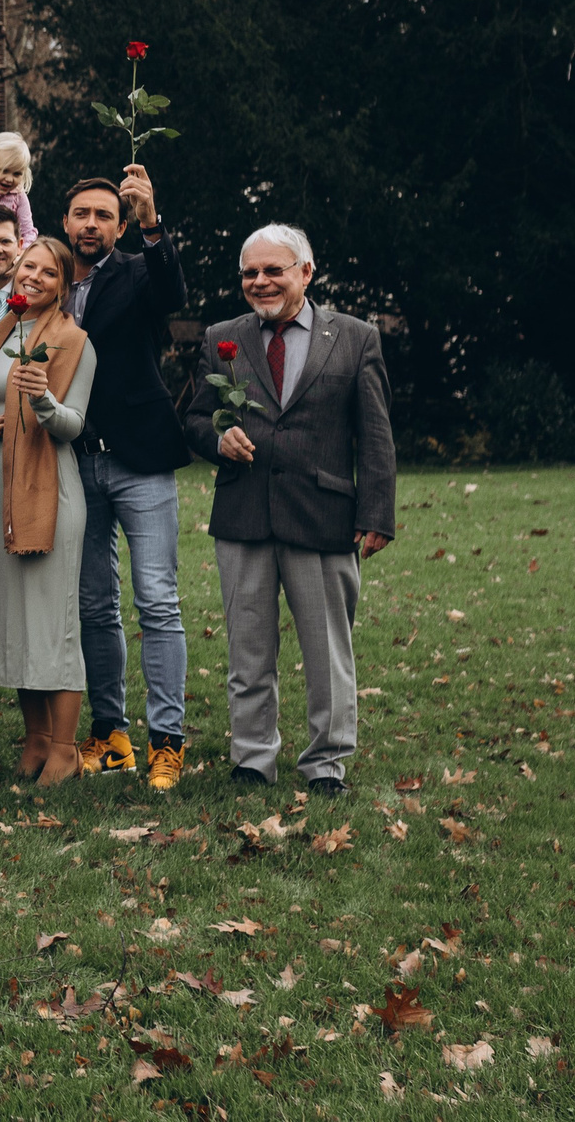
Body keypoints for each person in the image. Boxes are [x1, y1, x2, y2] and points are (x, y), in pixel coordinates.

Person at [181, 224, 395, 796]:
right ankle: (252, 759)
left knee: (328, 653)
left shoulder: (353, 338)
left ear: (305, 271)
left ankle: (326, 765)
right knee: (248, 649)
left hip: (322, 515)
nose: (260, 282)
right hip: (244, 515)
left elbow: (375, 433)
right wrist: (217, 437)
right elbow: (196, 419)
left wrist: (377, 512)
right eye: (250, 273)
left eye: (273, 270)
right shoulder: (221, 337)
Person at [57, 166, 191, 789]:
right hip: (76, 460)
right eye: (82, 214)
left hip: (140, 458)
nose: (91, 224)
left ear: (118, 225)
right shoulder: (51, 283)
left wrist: (152, 224)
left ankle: (168, 739)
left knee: (157, 602)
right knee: (93, 604)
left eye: (103, 216)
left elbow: (173, 293)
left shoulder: (138, 271)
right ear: (66, 222)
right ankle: (111, 734)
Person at [0, 237, 97, 786]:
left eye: (46, 272)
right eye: (26, 268)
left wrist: (43, 400)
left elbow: (73, 426)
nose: (32, 278)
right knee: (13, 621)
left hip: (49, 495)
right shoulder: (2, 332)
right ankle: (36, 739)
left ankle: (64, 747)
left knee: (54, 625)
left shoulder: (74, 342)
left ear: (63, 284)